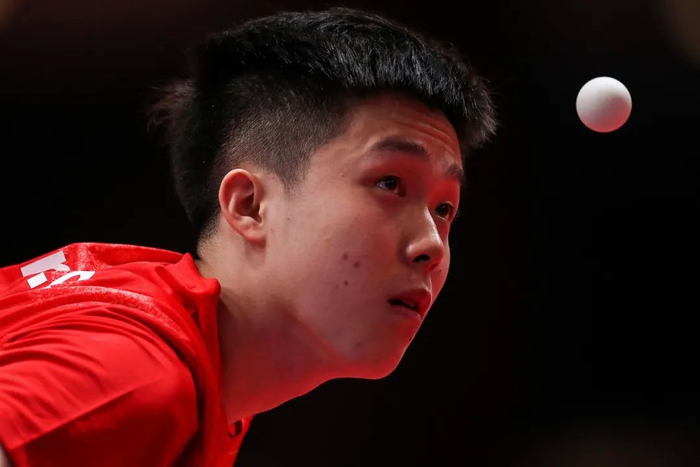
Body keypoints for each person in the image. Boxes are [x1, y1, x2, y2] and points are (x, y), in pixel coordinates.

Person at [0, 6, 497, 467]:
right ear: (249, 206)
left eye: (444, 209)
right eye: (390, 183)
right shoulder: (137, 373)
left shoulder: (194, 370)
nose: (432, 246)